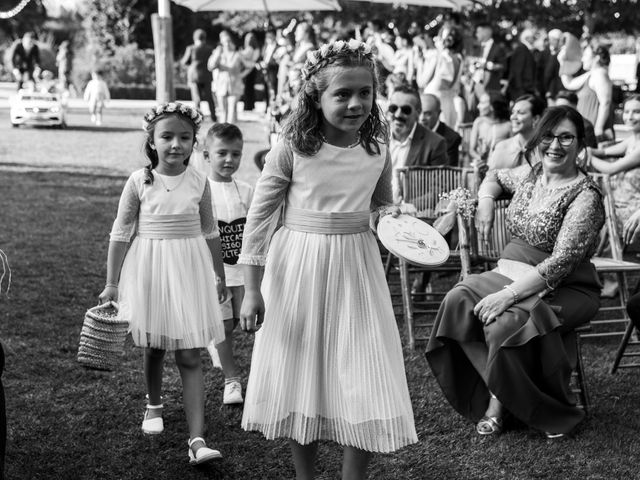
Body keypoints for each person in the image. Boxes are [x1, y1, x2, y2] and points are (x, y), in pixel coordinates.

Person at [238, 39, 417, 479]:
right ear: (315, 98)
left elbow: (379, 206)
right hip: (299, 265)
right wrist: (251, 290)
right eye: (342, 94)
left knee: (363, 367)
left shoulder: (377, 147)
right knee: (306, 372)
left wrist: (394, 218)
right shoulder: (293, 146)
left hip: (357, 265)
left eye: (364, 92)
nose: (356, 103)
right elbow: (260, 219)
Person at [426, 105, 605, 439]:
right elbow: (493, 176)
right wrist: (486, 200)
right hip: (509, 271)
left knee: (506, 323)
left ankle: (505, 406)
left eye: (566, 137)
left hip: (565, 285)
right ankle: (508, 394)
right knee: (457, 300)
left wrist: (506, 296)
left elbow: (561, 262)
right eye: (549, 135)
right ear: (539, 139)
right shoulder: (531, 174)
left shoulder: (585, 195)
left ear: (580, 145)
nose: (555, 144)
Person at [98, 102, 227, 465]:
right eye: (166, 137)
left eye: (184, 138)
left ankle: (197, 440)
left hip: (189, 269)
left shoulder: (200, 182)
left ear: (193, 142)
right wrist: (112, 283)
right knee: (154, 346)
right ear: (151, 141)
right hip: (151, 267)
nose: (176, 145)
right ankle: (153, 405)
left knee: (189, 352)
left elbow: (209, 231)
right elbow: (121, 232)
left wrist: (217, 274)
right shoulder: (139, 181)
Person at [201, 123, 254, 405]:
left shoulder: (245, 191)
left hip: (241, 271)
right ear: (206, 155)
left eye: (236, 154)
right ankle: (232, 381)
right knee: (223, 326)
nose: (229, 160)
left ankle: (215, 344)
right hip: (214, 273)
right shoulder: (200, 190)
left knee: (238, 323)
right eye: (222, 153)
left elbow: (255, 229)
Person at [587, 95, 640, 297]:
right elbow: (604, 151)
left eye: (636, 111)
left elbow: (610, 168)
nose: (630, 116)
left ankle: (610, 280)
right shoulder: (631, 141)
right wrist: (589, 149)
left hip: (632, 211)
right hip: (618, 206)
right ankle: (602, 276)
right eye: (627, 111)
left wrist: (589, 155)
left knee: (599, 223)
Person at [387, 85, 449, 202]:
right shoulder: (376, 136)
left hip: (411, 214)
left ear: (418, 113)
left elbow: (439, 190)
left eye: (406, 110)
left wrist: (404, 207)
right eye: (393, 108)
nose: (398, 114)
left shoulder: (435, 143)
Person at [561, 44, 614, 142]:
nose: (582, 59)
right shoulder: (591, 74)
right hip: (587, 128)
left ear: (596, 58)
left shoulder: (599, 74)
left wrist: (598, 128)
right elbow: (569, 83)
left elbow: (605, 102)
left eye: (585, 55)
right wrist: (563, 61)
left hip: (594, 129)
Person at [487, 94, 545, 170]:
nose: (513, 117)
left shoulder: (545, 150)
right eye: (513, 112)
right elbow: (490, 178)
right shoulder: (501, 147)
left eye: (520, 113)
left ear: (535, 119)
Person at [424, 28, 465, 128]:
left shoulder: (441, 57)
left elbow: (423, 81)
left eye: (437, 38)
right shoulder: (458, 58)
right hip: (448, 101)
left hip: (436, 102)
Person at [469, 91, 511, 175]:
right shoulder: (479, 122)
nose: (478, 106)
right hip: (481, 167)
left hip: (501, 169)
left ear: (492, 106)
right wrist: (481, 158)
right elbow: (471, 150)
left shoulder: (508, 126)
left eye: (482, 103)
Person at [208, 30, 245, 124]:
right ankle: (222, 131)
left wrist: (241, 75)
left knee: (232, 109)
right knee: (222, 110)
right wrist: (217, 54)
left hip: (234, 84)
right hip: (221, 84)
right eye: (225, 41)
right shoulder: (218, 53)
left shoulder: (236, 54)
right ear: (222, 43)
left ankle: (230, 132)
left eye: (228, 41)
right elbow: (210, 66)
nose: (227, 43)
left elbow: (248, 66)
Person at [181, 29, 216, 122]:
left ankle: (199, 117)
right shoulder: (209, 49)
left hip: (194, 75)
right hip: (207, 75)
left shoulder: (191, 48)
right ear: (204, 37)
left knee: (197, 98)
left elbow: (184, 61)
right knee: (209, 97)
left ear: (194, 38)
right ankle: (213, 116)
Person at [420, 93, 462, 166]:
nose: (421, 118)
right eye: (419, 112)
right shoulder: (409, 131)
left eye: (427, 114)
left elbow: (447, 174)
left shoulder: (451, 139)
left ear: (439, 113)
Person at [505, 29, 537, 103]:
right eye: (531, 37)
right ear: (527, 38)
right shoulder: (521, 49)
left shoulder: (525, 49)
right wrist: (519, 88)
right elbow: (517, 70)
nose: (533, 40)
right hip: (520, 88)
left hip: (525, 87)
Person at [240, 32, 261, 112]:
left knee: (248, 88)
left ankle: (248, 105)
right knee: (250, 88)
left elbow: (244, 56)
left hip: (249, 69)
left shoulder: (250, 49)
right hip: (252, 69)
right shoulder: (256, 49)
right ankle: (250, 105)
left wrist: (240, 54)